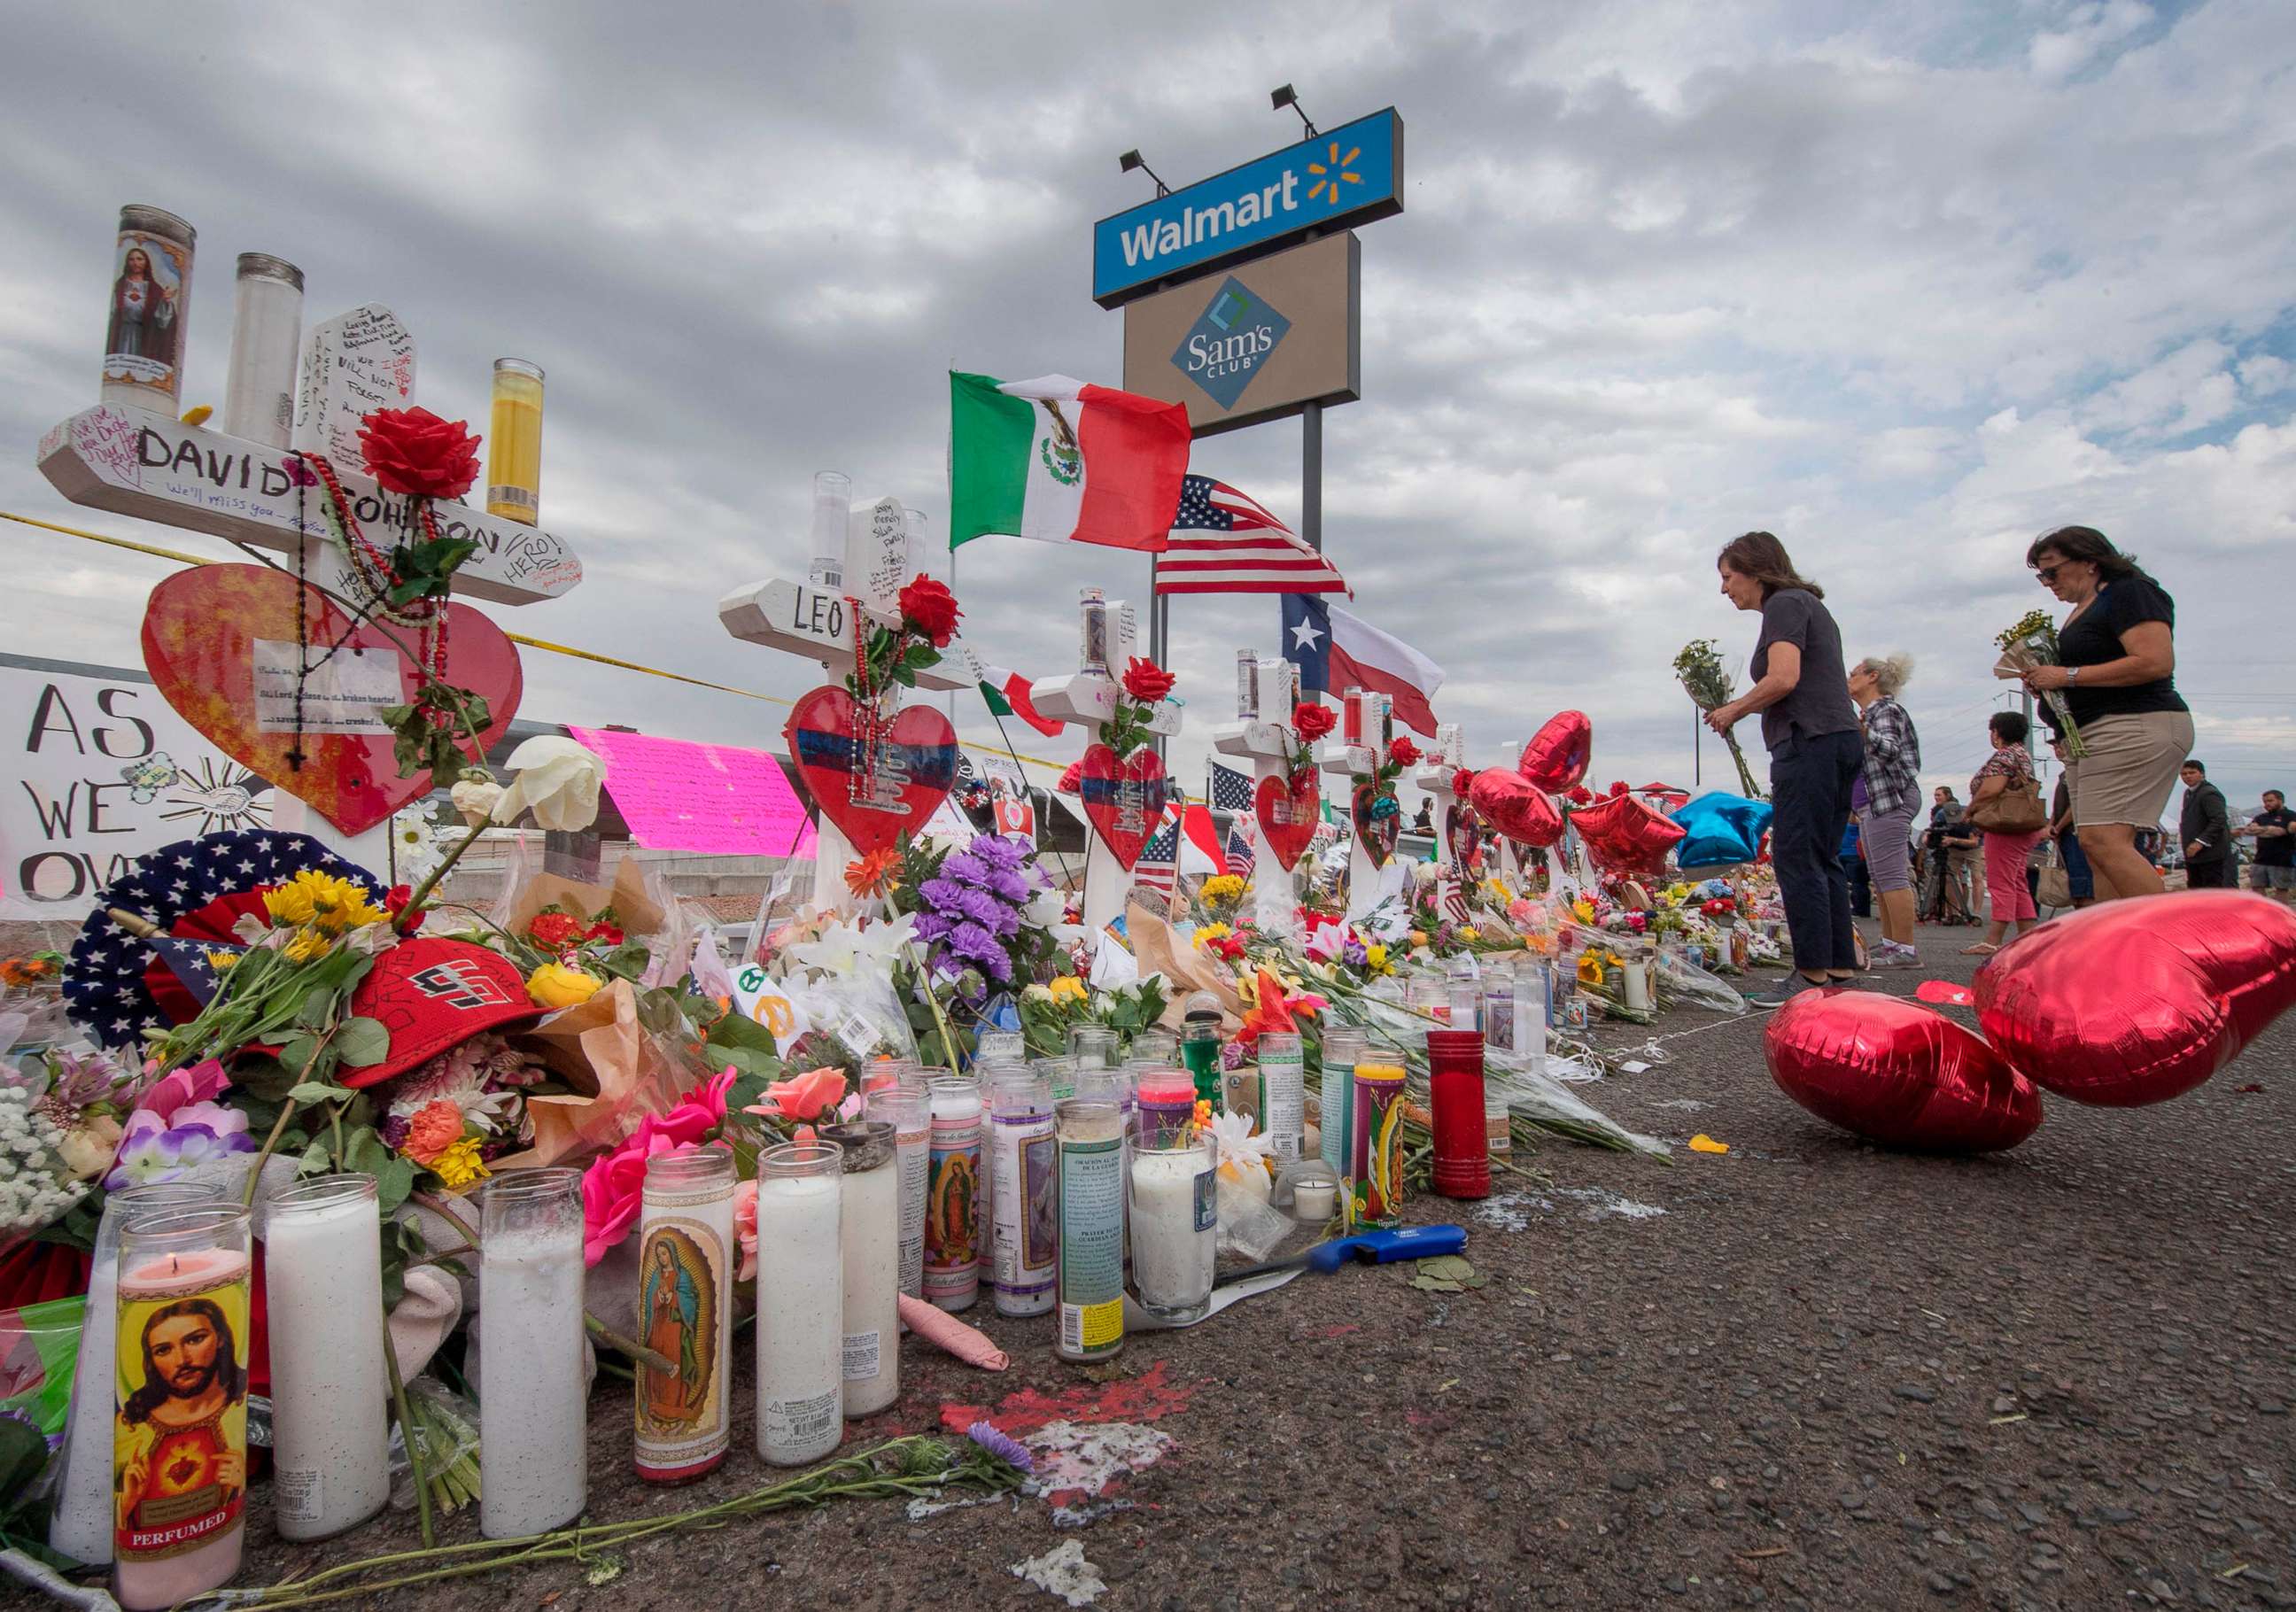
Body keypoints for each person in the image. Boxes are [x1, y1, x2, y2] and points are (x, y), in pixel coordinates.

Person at [1704, 531, 1863, 1006]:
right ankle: (1836, 965)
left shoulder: (1785, 605)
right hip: (1838, 737)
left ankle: (1811, 972)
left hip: (1808, 741)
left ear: (1755, 571)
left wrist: (1734, 708)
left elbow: (1784, 677)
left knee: (1797, 854)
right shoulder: (1811, 606)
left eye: (1729, 577)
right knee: (1824, 855)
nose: (1725, 589)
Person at [2019, 526, 2191, 899]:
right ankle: (2116, 946)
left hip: (2133, 723)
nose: (2047, 582)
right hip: (2094, 732)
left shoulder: (2130, 592)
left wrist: (2066, 675)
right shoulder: (2085, 609)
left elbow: (2155, 661)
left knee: (2104, 840)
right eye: (2040, 575)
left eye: (2052, 571)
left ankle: (2174, 941)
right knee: (2097, 850)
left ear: (2090, 562)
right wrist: (2050, 684)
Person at [1848, 653, 1921, 965]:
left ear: (1872, 677)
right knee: (1880, 875)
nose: (1849, 680)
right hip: (1876, 801)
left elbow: (1890, 749)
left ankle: (1904, 948)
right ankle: (1893, 943)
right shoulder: (1873, 712)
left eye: (1854, 673)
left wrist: (1864, 733)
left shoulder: (1884, 710)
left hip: (1889, 797)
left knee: (1890, 875)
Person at [1966, 711, 2044, 954]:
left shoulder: (2005, 756)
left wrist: (1970, 810)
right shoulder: (2022, 753)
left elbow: (1992, 788)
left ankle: (1993, 940)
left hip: (2005, 826)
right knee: (2017, 882)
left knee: (2001, 883)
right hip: (2023, 826)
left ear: (1997, 732)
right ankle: (2028, 938)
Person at [2044, 733, 2097, 906]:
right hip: (2064, 834)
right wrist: (2051, 825)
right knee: (2072, 882)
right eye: (2055, 747)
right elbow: (2058, 806)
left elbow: (2076, 805)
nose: (2057, 750)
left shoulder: (2078, 771)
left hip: (2075, 832)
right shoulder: (2064, 775)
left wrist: (2058, 827)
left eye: (2061, 746)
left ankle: (2088, 921)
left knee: (2083, 883)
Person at [2176, 760, 2232, 887]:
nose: (2188, 776)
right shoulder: (2189, 793)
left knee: (2211, 889)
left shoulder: (2209, 793)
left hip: (2210, 853)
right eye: (2184, 774)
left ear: (2202, 774)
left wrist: (2200, 842)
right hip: (2193, 854)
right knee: (2195, 888)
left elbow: (2219, 820)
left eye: (2192, 772)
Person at [2238, 787, 2294, 900]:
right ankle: (2262, 914)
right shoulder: (2261, 817)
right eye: (2265, 802)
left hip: (2282, 861)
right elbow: (2248, 831)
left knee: (2281, 890)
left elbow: (2280, 832)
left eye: (2270, 801)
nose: (2267, 804)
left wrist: (2261, 830)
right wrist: (2269, 830)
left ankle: (2280, 915)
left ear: (2280, 800)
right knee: (2257, 887)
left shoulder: (2290, 815)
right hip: (2260, 859)